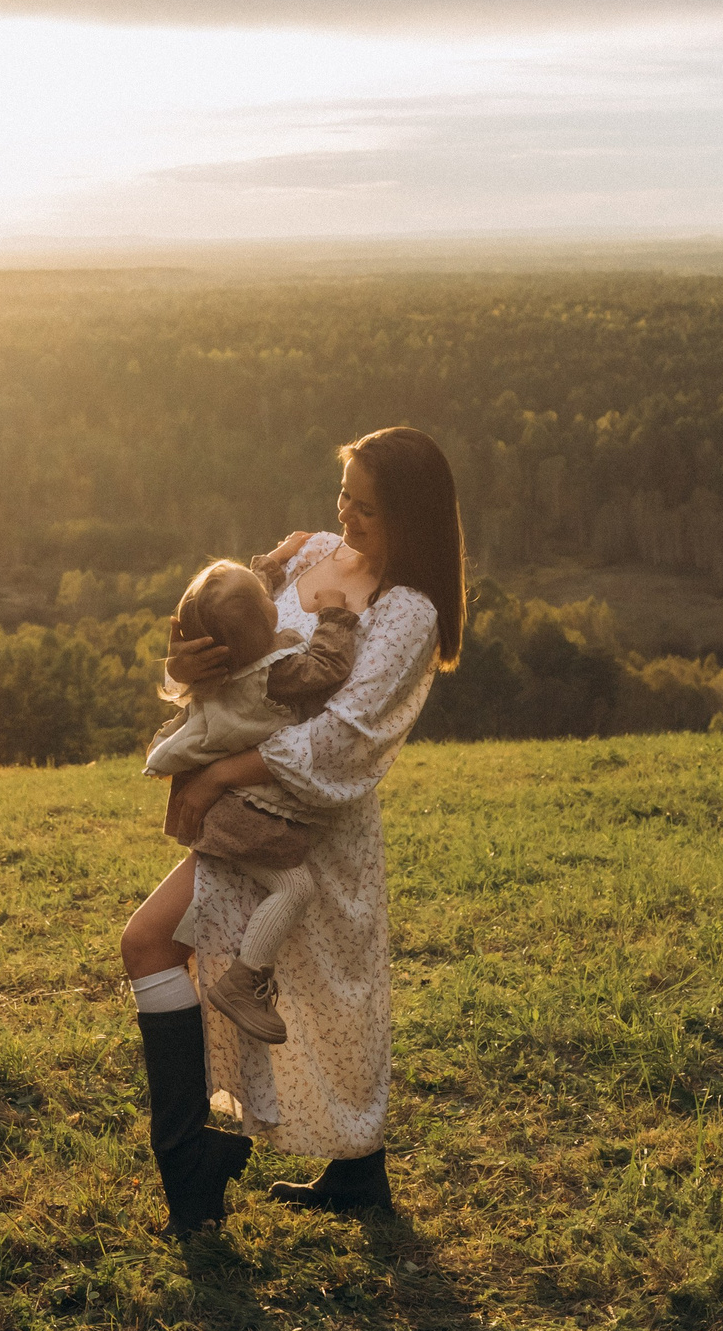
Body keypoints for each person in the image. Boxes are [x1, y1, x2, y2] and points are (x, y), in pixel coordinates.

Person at [119, 426, 466, 1237]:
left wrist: (216, 775)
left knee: (327, 996)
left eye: (369, 509)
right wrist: (187, 662)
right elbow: (233, 655)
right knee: (173, 952)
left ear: (411, 521)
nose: (346, 515)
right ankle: (258, 1173)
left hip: (309, 822)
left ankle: (258, 1175)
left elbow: (342, 739)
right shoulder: (308, 554)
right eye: (344, 492)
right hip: (249, 820)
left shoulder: (407, 611)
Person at [141, 557, 361, 1045]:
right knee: (294, 888)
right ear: (265, 624)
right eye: (267, 598)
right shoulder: (276, 673)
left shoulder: (220, 667)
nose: (273, 595)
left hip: (224, 806)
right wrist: (334, 616)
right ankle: (245, 979)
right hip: (245, 815)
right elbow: (328, 667)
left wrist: (272, 566)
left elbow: (240, 607)